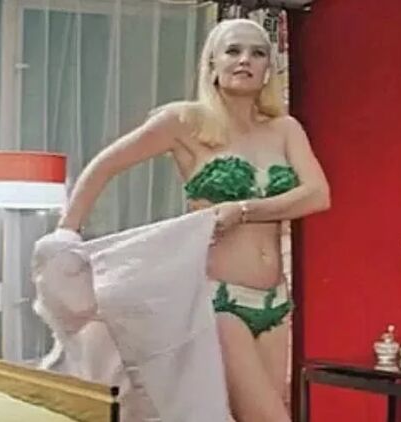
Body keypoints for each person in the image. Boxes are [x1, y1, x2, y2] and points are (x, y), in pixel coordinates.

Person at [55, 18, 330, 422]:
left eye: (257, 53)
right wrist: (64, 236)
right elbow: (103, 166)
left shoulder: (285, 128)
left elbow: (318, 195)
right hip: (219, 299)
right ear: (212, 62)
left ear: (268, 69)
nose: (245, 60)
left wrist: (243, 210)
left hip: (275, 301)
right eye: (233, 50)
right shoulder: (184, 121)